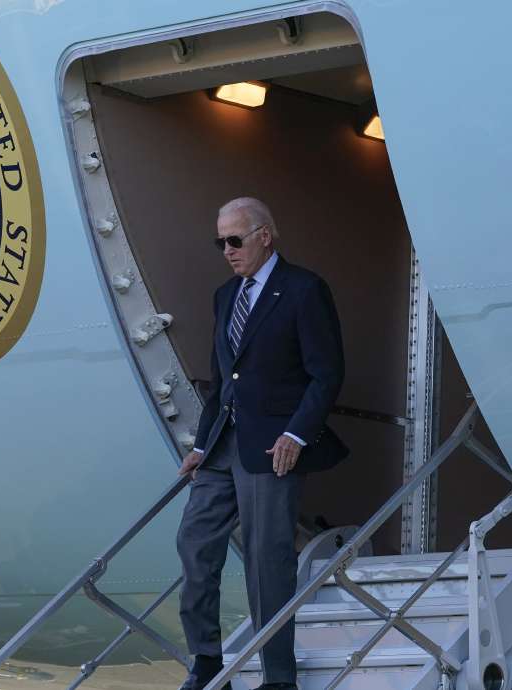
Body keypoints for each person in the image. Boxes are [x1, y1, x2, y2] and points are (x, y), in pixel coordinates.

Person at [176, 197, 347, 690]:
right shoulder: (225, 294)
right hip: (222, 444)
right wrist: (200, 443)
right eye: (220, 242)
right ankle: (207, 659)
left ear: (264, 236)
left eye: (235, 240)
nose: (226, 250)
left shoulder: (304, 290)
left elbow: (326, 373)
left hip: (273, 447)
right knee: (194, 542)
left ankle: (278, 677)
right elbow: (221, 378)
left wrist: (296, 432)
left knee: (265, 557)